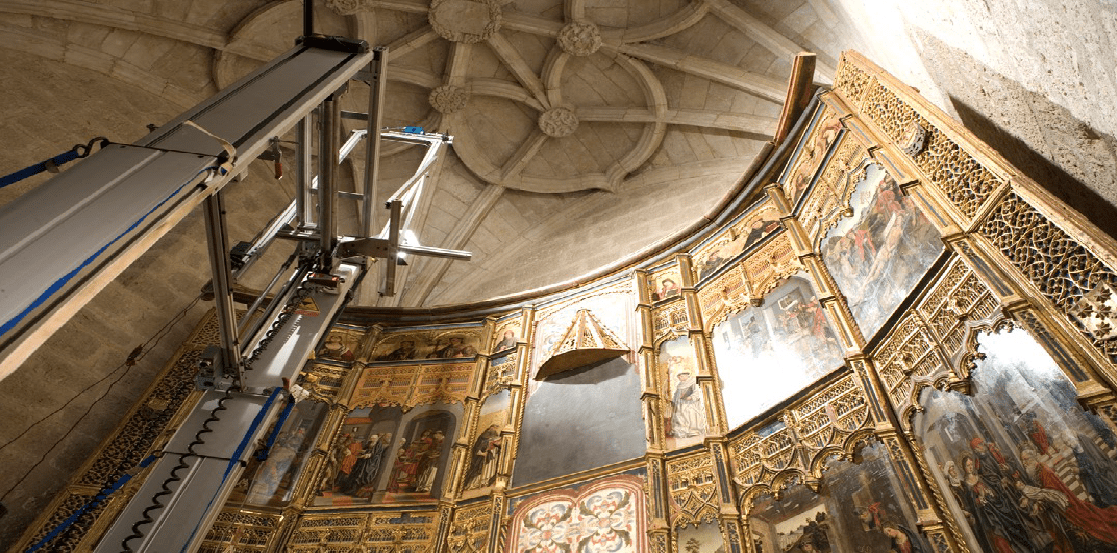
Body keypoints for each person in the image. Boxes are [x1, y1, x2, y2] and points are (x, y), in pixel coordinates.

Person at [464, 424, 502, 490]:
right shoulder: (484, 436)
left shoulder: (494, 435)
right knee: (481, 469)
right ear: (490, 428)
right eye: (494, 428)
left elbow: (496, 443)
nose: (494, 430)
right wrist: (481, 452)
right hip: (482, 457)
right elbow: (479, 446)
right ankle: (477, 482)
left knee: (489, 468)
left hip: (489, 455)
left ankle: (485, 481)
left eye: (496, 429)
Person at [670, 371, 705, 439]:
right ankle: (683, 432)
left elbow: (697, 391)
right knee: (679, 416)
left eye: (681, 376)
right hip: (681, 404)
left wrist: (691, 397)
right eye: (679, 377)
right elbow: (676, 394)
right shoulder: (680, 385)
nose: (680, 378)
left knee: (691, 415)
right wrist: (674, 399)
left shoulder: (693, 382)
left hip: (691, 403)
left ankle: (693, 431)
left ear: (686, 375)